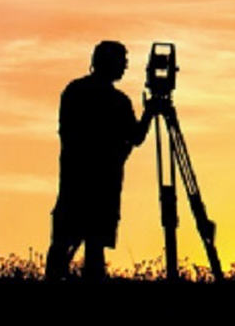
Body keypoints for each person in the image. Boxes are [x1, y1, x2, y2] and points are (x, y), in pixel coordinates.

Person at [47, 41, 155, 281]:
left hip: (79, 183)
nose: (125, 66)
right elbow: (136, 137)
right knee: (89, 247)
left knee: (65, 246)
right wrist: (149, 112)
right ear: (108, 62)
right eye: (122, 61)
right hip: (96, 184)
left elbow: (132, 138)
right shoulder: (115, 101)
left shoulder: (75, 91)